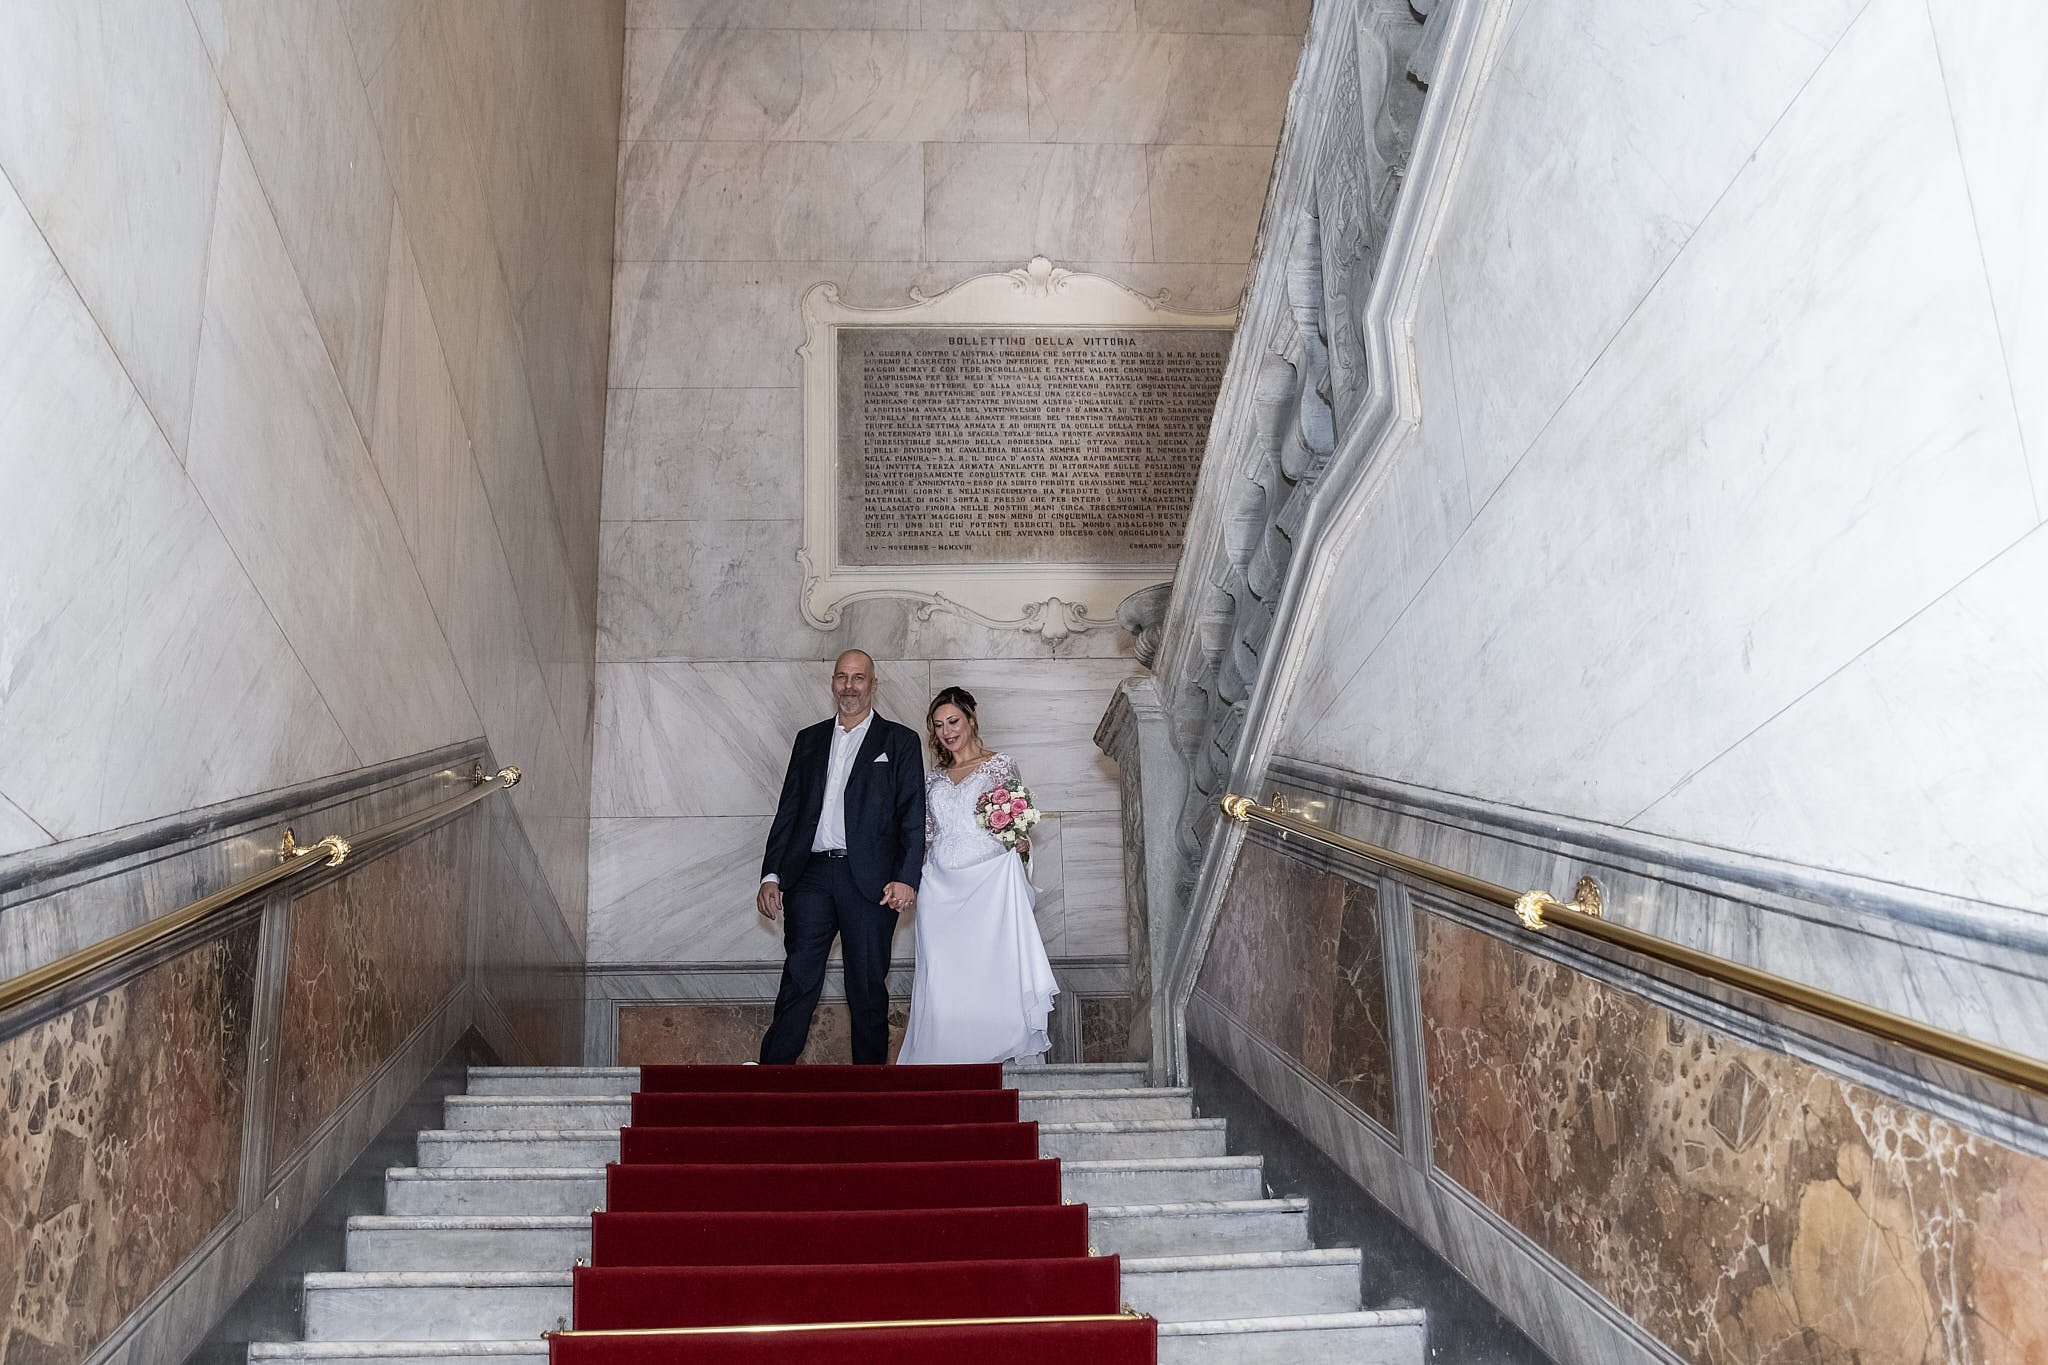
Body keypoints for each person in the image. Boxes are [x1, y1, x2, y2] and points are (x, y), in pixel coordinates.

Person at [756, 650, 926, 1065]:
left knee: (867, 985)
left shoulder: (900, 741)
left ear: (873, 684)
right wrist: (771, 874)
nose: (849, 686)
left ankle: (868, 1089)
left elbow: (912, 816)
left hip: (869, 881)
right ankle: (770, 1080)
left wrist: (907, 877)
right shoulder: (808, 739)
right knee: (799, 976)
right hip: (810, 874)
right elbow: (789, 810)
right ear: (832, 682)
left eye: (858, 678)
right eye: (841, 677)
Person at [897, 686, 1058, 1065]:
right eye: (938, 726)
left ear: (971, 719)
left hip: (988, 885)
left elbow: (1017, 827)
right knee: (941, 976)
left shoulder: (1000, 766)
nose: (947, 731)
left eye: (953, 721)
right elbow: (926, 835)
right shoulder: (933, 780)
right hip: (939, 890)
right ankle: (942, 1058)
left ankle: (993, 1051)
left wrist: (1021, 848)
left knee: (990, 971)